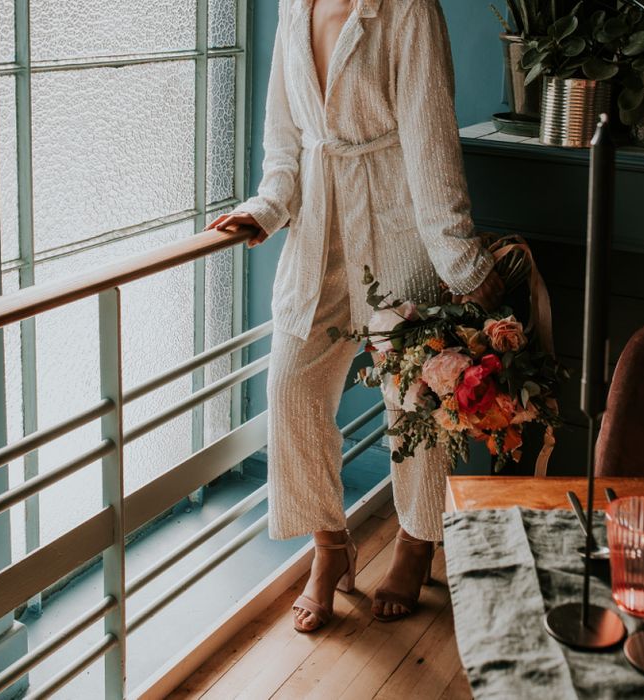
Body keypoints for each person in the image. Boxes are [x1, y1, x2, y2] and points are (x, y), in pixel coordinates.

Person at [207, 0, 503, 633]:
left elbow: (430, 140)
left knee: (414, 398)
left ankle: (416, 542)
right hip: (318, 234)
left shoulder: (409, 11)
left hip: (397, 227)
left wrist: (463, 265)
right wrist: (266, 207)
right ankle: (330, 545)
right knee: (291, 390)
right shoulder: (293, 7)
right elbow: (283, 138)